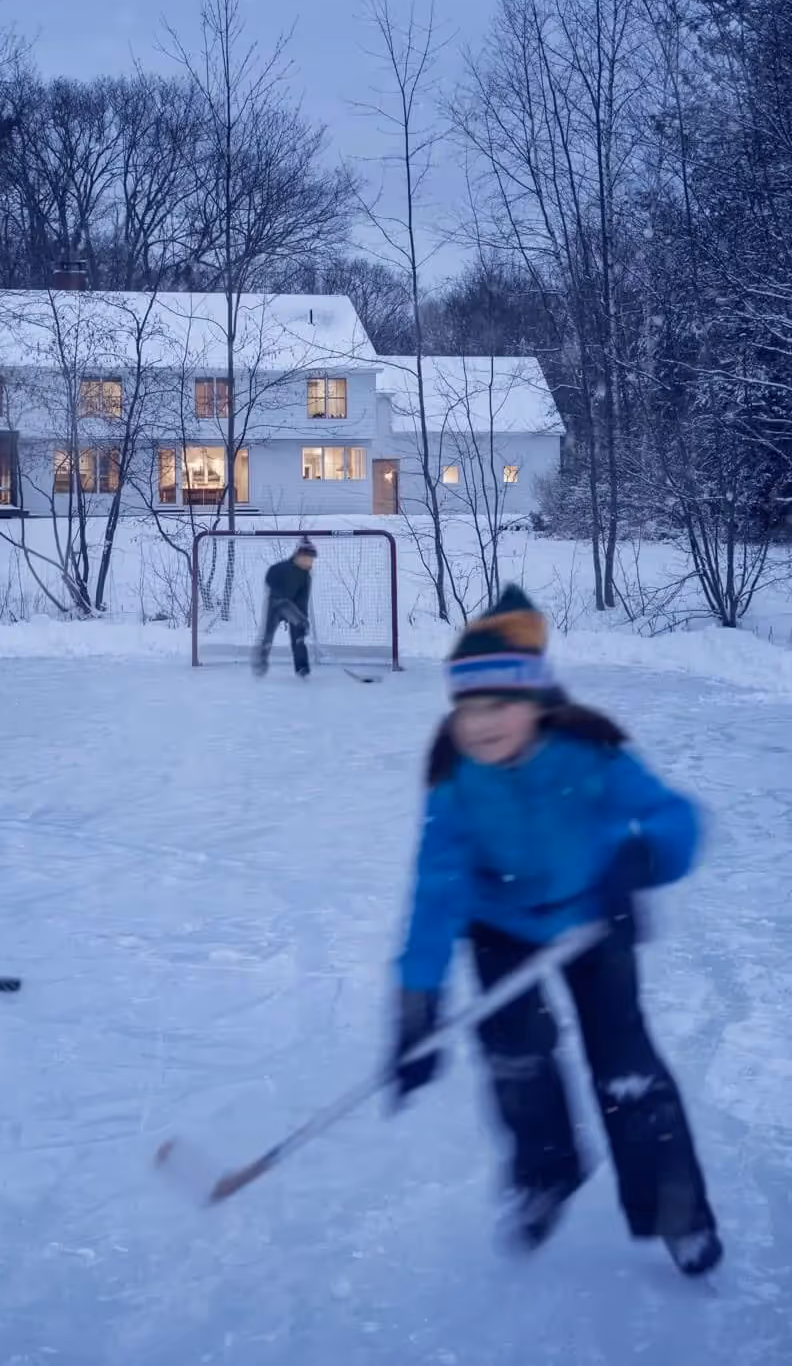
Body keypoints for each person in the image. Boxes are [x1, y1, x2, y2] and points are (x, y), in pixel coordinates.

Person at [387, 585, 721, 1277]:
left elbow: (675, 817)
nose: (480, 725)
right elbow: (436, 891)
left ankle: (675, 1209)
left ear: (536, 704)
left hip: (593, 920)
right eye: (466, 708)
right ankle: (546, 1175)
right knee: (517, 1060)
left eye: (498, 705)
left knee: (626, 1068)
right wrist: (416, 1004)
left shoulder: (587, 751)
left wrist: (640, 858)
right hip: (500, 928)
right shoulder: (454, 780)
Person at [253, 537, 317, 678]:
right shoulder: (280, 568)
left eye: (312, 559)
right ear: (299, 556)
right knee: (267, 636)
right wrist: (283, 601)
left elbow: (302, 599)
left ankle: (302, 668)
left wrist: (303, 619)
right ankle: (260, 663)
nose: (310, 562)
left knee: (299, 637)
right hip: (276, 605)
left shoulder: (306, 576)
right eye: (308, 558)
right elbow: (271, 582)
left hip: (293, 606)